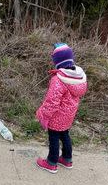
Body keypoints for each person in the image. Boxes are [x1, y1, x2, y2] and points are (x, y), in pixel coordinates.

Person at [35, 43, 88, 174]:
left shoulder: (58, 80)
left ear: (57, 62)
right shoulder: (79, 77)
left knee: (53, 137)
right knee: (65, 135)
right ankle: (67, 159)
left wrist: (43, 115)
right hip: (69, 115)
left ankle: (51, 162)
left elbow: (52, 101)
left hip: (56, 116)